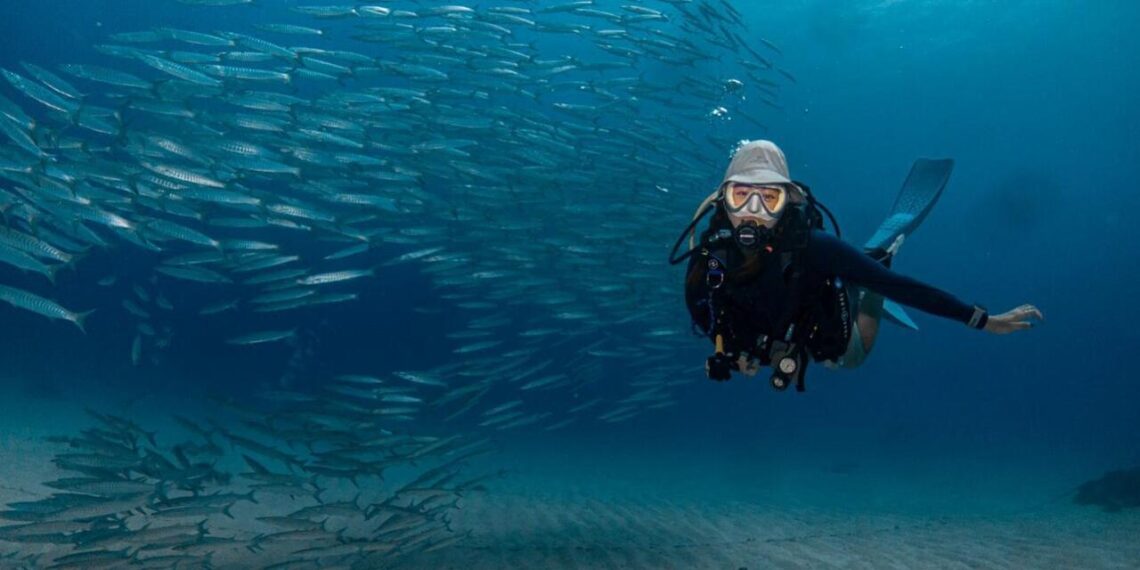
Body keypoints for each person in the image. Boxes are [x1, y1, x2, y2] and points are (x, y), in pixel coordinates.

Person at [670, 140, 1042, 390]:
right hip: (766, 342)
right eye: (741, 196)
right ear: (723, 201)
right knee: (859, 279)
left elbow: (904, 289)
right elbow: (705, 312)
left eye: (768, 198)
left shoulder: (813, 247)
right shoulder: (708, 259)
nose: (753, 212)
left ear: (787, 202)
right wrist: (732, 353)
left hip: (821, 330)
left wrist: (980, 319)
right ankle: (864, 269)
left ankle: (873, 264)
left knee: (853, 354)